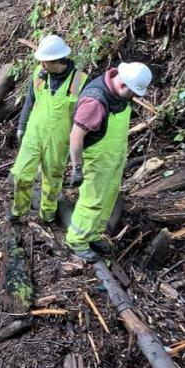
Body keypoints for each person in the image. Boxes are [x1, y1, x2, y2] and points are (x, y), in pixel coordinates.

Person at [65, 60, 152, 260]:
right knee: (93, 199)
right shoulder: (95, 102)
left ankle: (93, 233)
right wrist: (77, 167)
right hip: (98, 158)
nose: (134, 98)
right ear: (123, 85)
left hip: (114, 157)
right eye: (132, 93)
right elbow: (76, 136)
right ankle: (77, 239)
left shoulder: (119, 91)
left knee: (109, 195)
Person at [9, 34, 86, 224]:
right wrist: (21, 126)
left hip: (58, 139)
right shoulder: (39, 73)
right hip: (34, 133)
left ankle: (48, 213)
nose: (41, 64)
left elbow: (83, 118)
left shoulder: (79, 80)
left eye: (45, 61)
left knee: (52, 178)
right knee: (21, 173)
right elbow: (30, 100)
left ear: (56, 60)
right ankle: (19, 211)